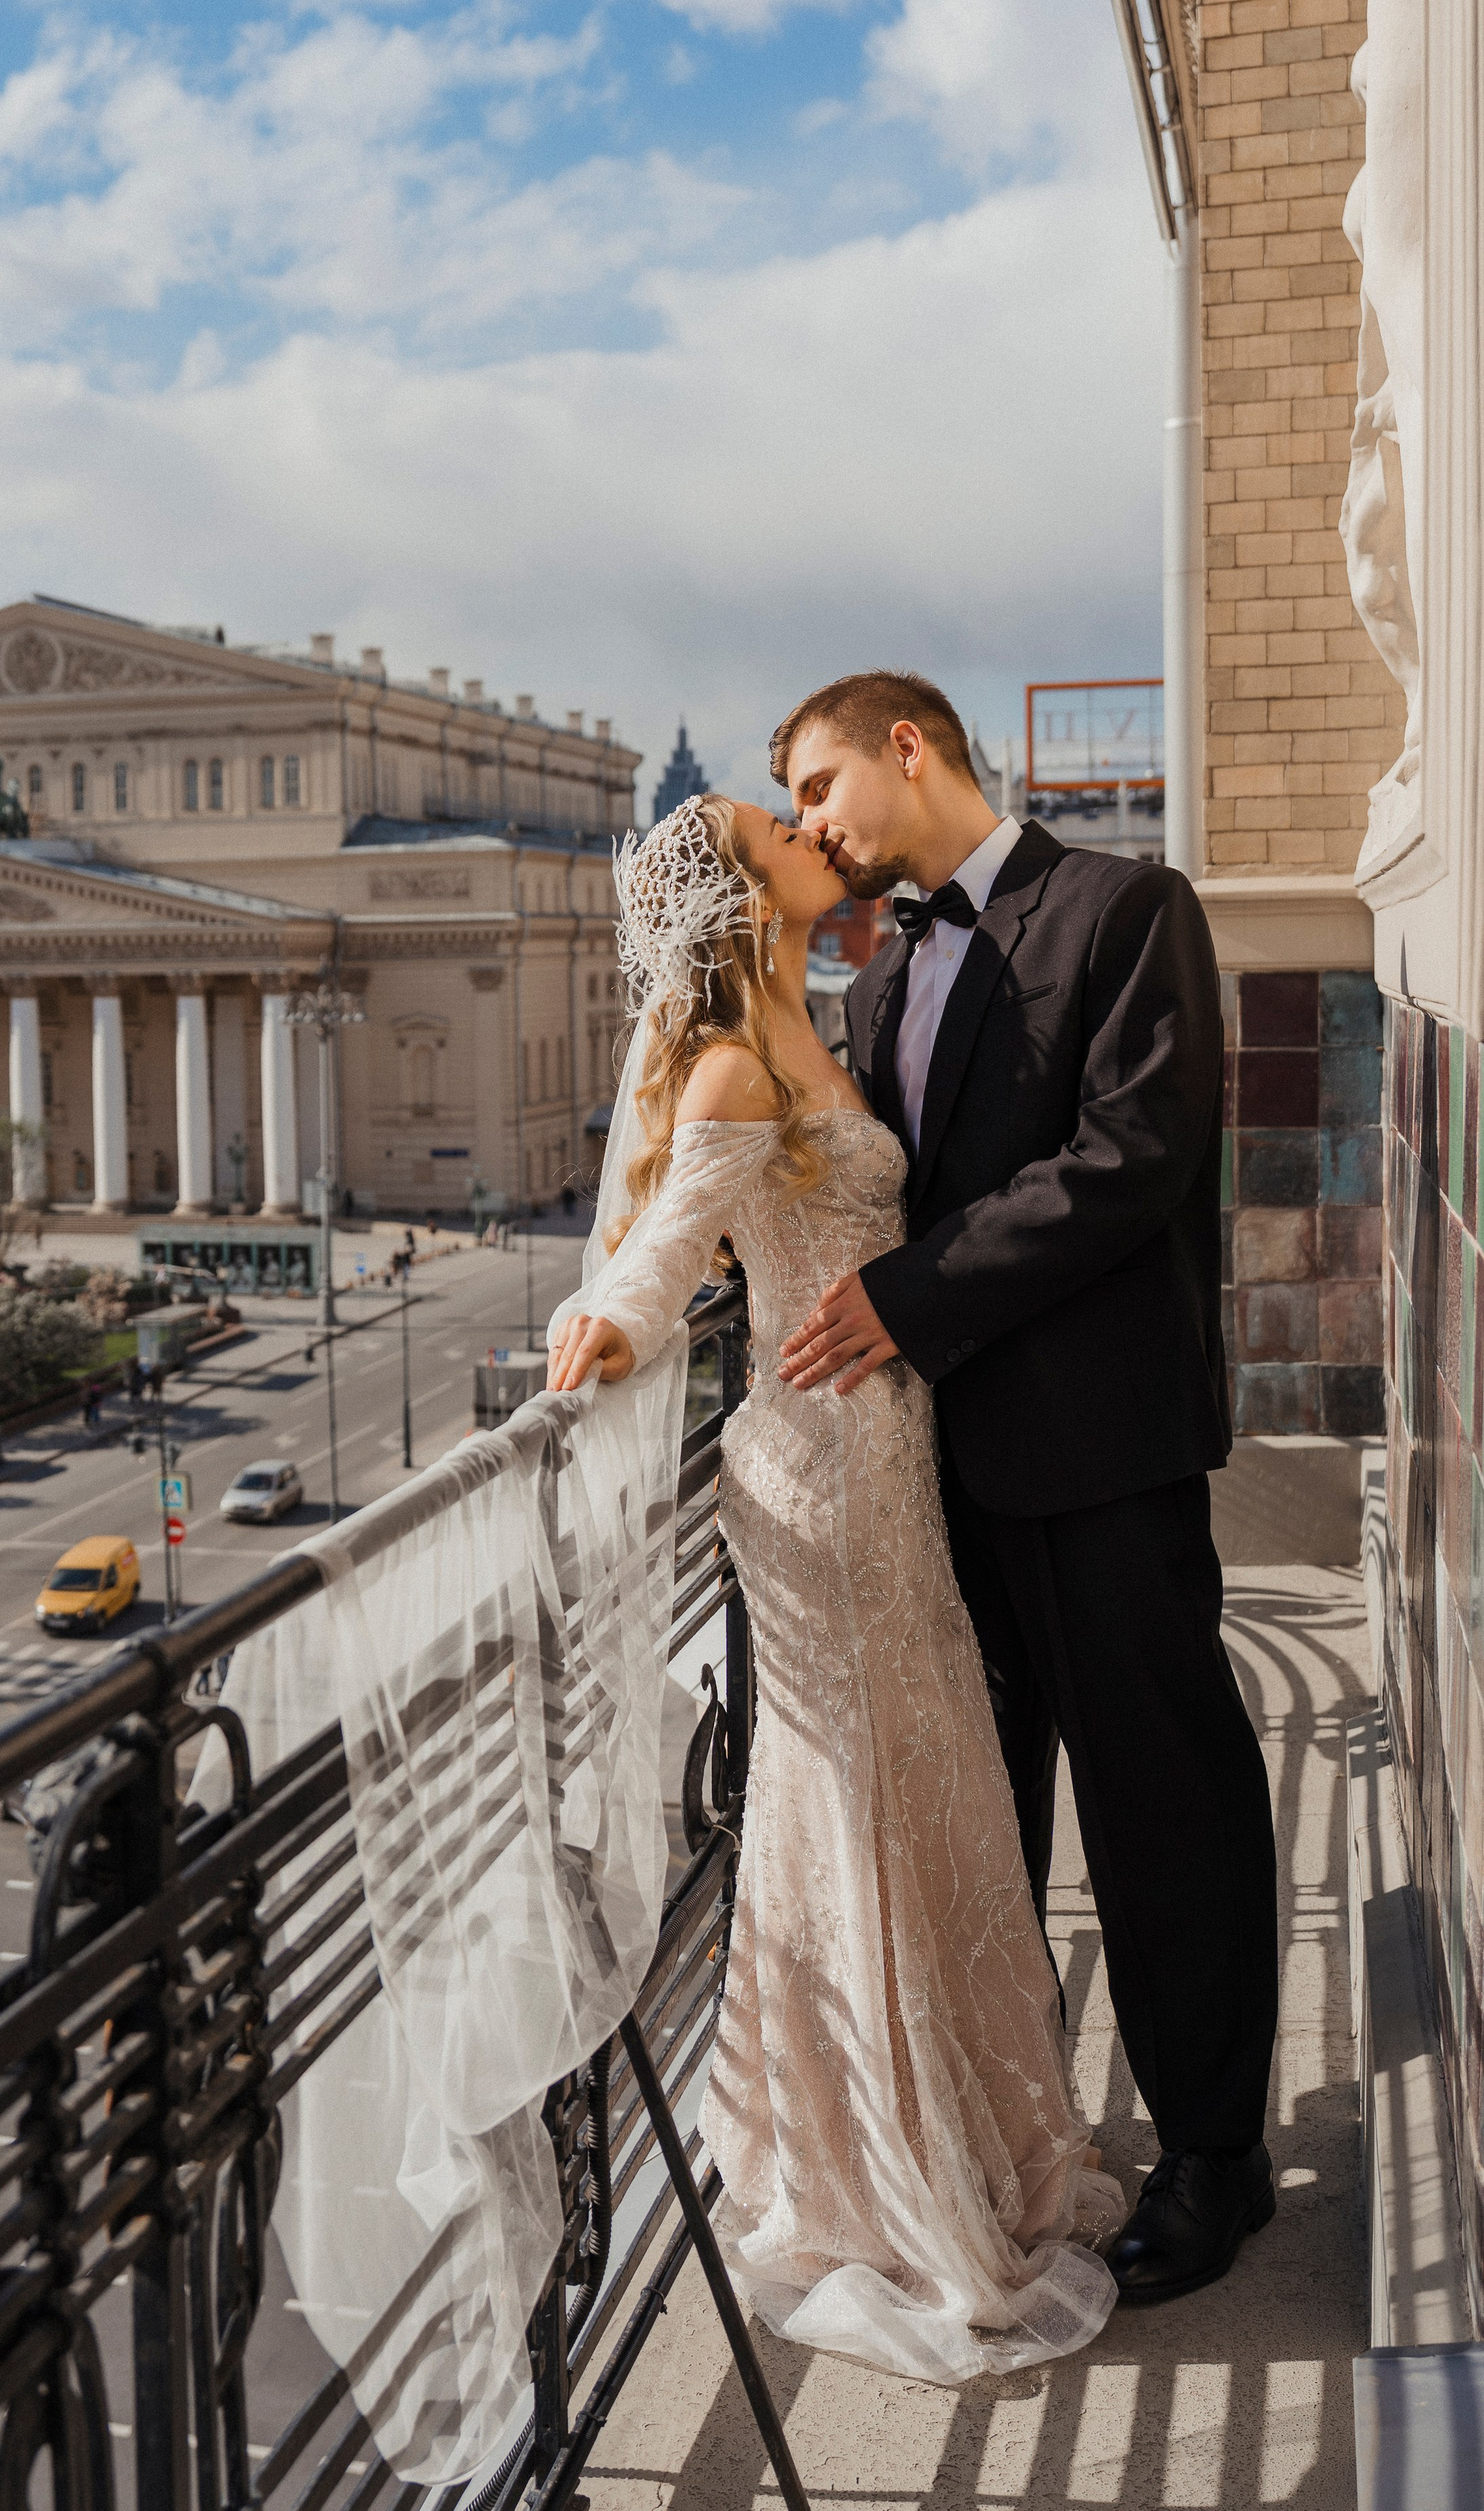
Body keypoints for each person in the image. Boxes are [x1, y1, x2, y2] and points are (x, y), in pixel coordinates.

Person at [547, 793, 1121, 2384]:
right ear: (744, 894)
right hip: (814, 1471)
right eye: (778, 827)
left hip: (889, 1462)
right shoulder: (737, 1063)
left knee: (918, 1789)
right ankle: (869, 2174)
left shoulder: (825, 1023)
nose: (814, 832)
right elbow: (672, 1242)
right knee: (854, 1798)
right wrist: (608, 1326)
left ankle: (948, 2140)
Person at [772, 670, 1276, 2306]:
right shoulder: (875, 981)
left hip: (1101, 1458)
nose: (808, 824)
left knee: (1161, 1806)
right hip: (930, 1485)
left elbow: (1131, 1160)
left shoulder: (1126, 910)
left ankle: (1215, 2158)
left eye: (819, 785)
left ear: (907, 747)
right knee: (981, 1834)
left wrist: (909, 1298)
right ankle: (1018, 2141)